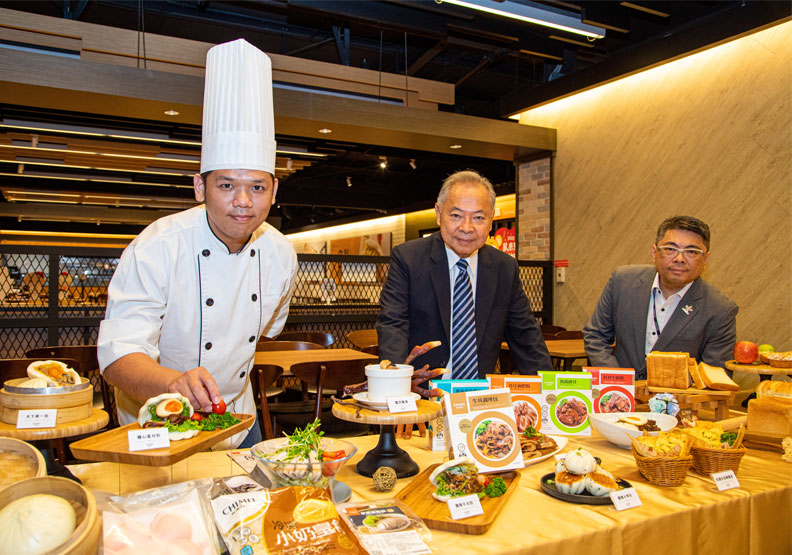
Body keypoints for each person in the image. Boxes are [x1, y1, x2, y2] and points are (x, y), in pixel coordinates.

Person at [98, 39, 297, 448]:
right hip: (156, 416)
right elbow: (117, 358)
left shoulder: (281, 253)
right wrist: (174, 381)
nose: (243, 201)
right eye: (227, 185)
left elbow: (268, 331)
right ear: (199, 186)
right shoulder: (157, 246)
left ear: (274, 190)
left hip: (238, 414)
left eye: (256, 187)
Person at [376, 170, 553, 377]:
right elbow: (393, 325)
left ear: (491, 219)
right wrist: (396, 382)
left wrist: (549, 394)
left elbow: (526, 337)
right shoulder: (408, 258)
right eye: (456, 215)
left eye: (478, 217)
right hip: (421, 395)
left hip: (478, 398)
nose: (467, 228)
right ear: (439, 214)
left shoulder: (504, 267)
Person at [583, 215, 737, 379]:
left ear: (705, 259)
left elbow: (714, 373)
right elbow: (596, 336)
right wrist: (619, 382)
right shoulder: (622, 281)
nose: (679, 259)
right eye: (670, 249)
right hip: (619, 396)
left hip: (677, 402)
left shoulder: (720, 309)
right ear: (654, 252)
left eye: (691, 252)